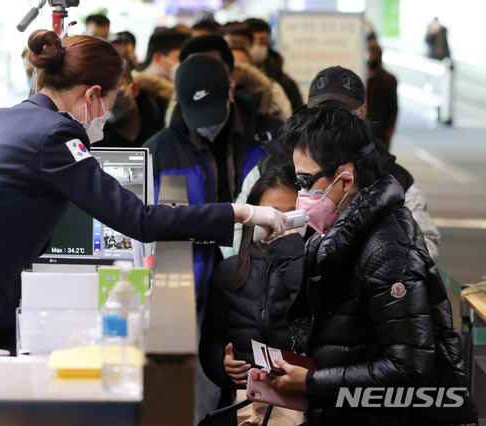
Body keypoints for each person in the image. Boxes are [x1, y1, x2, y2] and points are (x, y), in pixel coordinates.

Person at [0, 31, 287, 359]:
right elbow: (139, 220)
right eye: (113, 99)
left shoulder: (3, 119)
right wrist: (244, 212)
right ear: (94, 95)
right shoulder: (55, 135)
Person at [268, 105, 477, 425]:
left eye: (305, 180)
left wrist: (311, 384)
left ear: (346, 179)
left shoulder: (387, 251)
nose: (302, 194)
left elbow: (410, 371)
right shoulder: (338, 229)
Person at [229, 66, 441, 260]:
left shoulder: (394, 178)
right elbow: (236, 236)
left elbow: (425, 245)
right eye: (322, 113)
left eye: (343, 113)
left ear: (363, 111)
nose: (332, 123)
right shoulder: (270, 166)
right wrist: (272, 263)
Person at [143, 54, 290, 311]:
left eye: (211, 112)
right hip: (189, 291)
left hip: (261, 288)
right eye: (197, 116)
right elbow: (151, 224)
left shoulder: (272, 139)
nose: (206, 125)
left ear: (231, 92)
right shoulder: (158, 151)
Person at [199, 165, 305, 425]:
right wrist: (222, 365)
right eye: (273, 214)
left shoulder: (315, 271)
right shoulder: (229, 272)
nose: (281, 224)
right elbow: (211, 340)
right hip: (243, 401)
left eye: (292, 214)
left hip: (299, 402)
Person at [99, 48, 164, 148]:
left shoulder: (165, 121)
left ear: (134, 89)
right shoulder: (92, 141)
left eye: (115, 86)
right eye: (101, 90)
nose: (108, 95)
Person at [244, 18, 304, 112]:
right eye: (253, 41)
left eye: (262, 41)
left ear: (269, 41)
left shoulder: (284, 82)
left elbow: (298, 116)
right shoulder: (235, 80)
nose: (258, 46)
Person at [366, 44, 398, 150]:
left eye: (374, 57)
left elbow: (393, 107)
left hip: (381, 127)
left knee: (382, 158)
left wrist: (390, 128)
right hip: (365, 126)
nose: (371, 60)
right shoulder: (362, 77)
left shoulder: (389, 79)